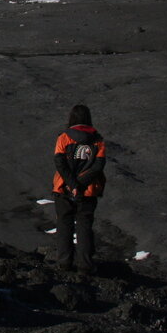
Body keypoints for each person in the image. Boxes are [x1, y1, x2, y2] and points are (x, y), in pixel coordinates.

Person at [52, 104, 107, 274]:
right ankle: (85, 265)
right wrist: (81, 184)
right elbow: (98, 166)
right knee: (84, 226)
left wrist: (72, 184)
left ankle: (64, 263)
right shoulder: (97, 140)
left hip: (63, 189)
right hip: (88, 191)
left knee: (64, 225)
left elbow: (59, 163)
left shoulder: (63, 138)